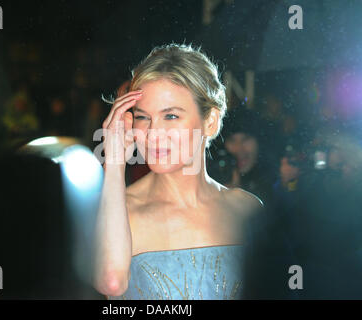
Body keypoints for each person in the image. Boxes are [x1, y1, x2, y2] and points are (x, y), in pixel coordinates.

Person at [93, 43, 263, 300]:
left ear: (211, 121)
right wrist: (114, 163)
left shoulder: (246, 209)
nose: (152, 133)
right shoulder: (118, 210)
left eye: (170, 116)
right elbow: (111, 283)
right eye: (142, 117)